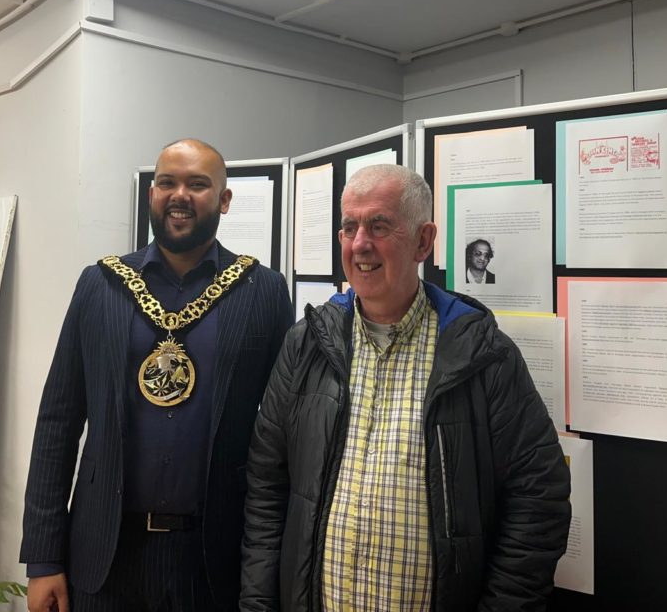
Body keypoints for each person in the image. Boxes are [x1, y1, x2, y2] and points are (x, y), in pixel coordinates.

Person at [241, 164, 570, 611]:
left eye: (379, 226)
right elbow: (267, 485)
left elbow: (539, 497)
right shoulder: (306, 346)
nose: (360, 244)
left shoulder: (481, 354)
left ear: (423, 241)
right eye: (350, 227)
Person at [21, 139, 294, 612]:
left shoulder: (263, 291)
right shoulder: (100, 285)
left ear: (224, 200)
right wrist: (44, 559)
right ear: (152, 194)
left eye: (198, 184)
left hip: (215, 559)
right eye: (167, 183)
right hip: (105, 556)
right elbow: (57, 423)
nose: (179, 195)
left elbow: (280, 437)